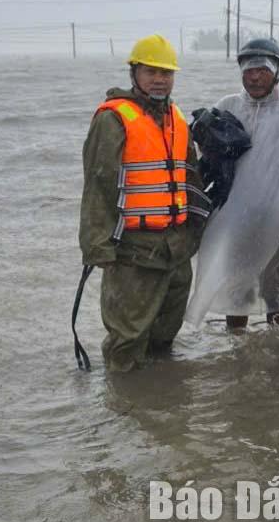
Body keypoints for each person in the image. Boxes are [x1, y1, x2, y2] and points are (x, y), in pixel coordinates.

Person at [79, 34, 209, 371]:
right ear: (134, 73)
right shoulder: (113, 119)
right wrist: (98, 248)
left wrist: (198, 228)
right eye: (151, 72)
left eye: (166, 73)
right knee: (127, 341)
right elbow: (98, 186)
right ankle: (123, 410)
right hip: (133, 252)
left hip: (176, 249)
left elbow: (189, 177)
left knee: (165, 336)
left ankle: (160, 403)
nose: (159, 79)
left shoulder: (177, 118)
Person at [185, 38, 279, 330]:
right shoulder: (228, 106)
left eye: (262, 70)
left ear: (278, 72)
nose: (254, 77)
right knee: (235, 284)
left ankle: (276, 345)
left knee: (273, 284)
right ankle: (237, 349)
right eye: (248, 70)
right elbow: (205, 153)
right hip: (233, 215)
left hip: (278, 217)